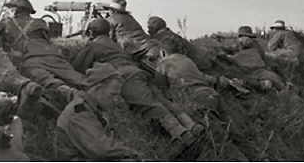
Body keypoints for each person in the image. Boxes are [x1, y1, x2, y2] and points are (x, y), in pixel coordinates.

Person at [71, 18, 203, 152]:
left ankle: (181, 135)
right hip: (138, 72)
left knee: (149, 106)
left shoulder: (93, 45)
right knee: (162, 101)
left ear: (91, 33)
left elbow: (77, 67)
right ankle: (192, 125)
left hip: (126, 77)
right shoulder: (115, 44)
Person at [142, 40, 250, 161]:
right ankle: (256, 157)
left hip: (197, 100)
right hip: (212, 94)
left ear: (163, 52)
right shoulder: (187, 60)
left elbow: (161, 90)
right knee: (234, 133)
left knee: (217, 140)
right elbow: (203, 77)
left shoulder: (164, 64)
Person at [0, 0, 83, 108]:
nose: (7, 12)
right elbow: (49, 39)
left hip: (31, 59)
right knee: (75, 76)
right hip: (53, 55)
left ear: (15, 10)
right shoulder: (41, 22)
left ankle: (68, 92)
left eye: (9, 9)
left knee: (44, 78)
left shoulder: (6, 24)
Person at [55, 63, 142, 161]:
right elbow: (101, 149)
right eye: (113, 95)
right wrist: (132, 153)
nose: (116, 100)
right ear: (97, 88)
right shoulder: (80, 112)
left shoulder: (90, 108)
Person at [220, 26, 286, 92]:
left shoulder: (254, 46)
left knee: (273, 81)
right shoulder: (242, 45)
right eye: (242, 37)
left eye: (248, 37)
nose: (245, 39)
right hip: (247, 71)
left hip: (256, 71)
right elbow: (230, 50)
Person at [147, 16, 213, 71]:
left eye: (149, 27)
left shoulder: (166, 39)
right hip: (201, 62)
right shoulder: (168, 35)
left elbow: (172, 63)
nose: (148, 30)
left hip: (199, 67)